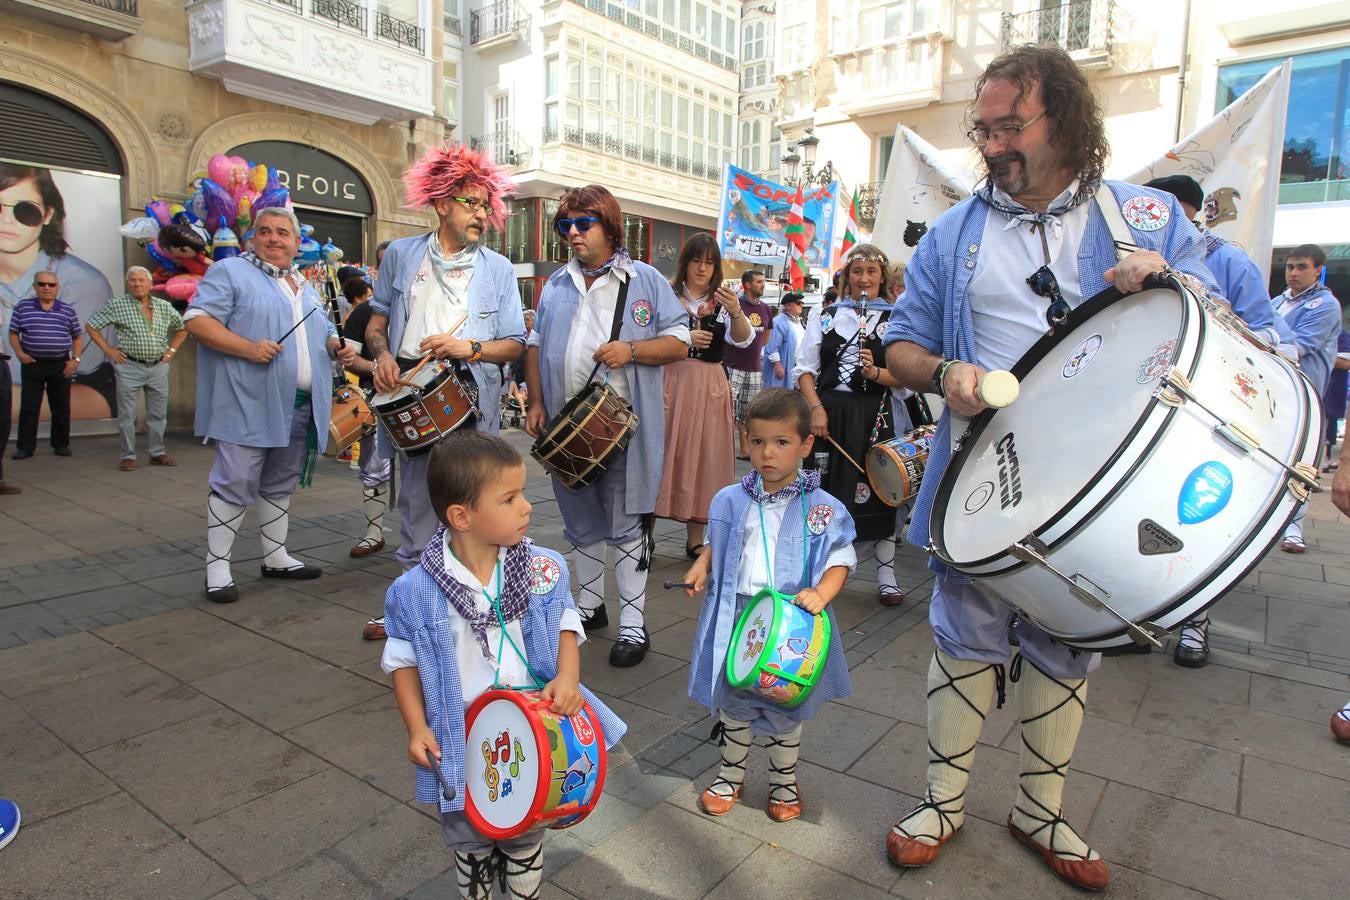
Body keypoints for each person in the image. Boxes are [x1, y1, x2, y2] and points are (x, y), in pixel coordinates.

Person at [882, 46, 1221, 891]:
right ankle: (942, 801)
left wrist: (1172, 280)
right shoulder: (957, 232)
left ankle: (1039, 810)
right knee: (965, 634)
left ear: (1065, 122)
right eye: (985, 129)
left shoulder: (1146, 216)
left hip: (1101, 485)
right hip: (981, 478)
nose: (995, 145)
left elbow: (1233, 315)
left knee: (1067, 641)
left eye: (1012, 127)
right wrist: (944, 374)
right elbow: (899, 342)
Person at [382, 431, 625, 899]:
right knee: (469, 836)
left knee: (526, 829)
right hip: (462, 736)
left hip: (532, 728)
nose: (527, 507)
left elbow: (565, 626)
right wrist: (416, 728)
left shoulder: (543, 567)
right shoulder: (415, 591)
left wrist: (568, 676)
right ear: (462, 515)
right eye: (510, 498)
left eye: (523, 495)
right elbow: (402, 661)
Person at [363, 144, 526, 642]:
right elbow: (377, 323)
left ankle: (476, 611)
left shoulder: (498, 268)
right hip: (411, 392)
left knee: (476, 507)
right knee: (415, 506)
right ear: (442, 204)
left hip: (468, 394)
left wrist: (468, 346)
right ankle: (408, 614)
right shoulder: (401, 255)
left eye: (485, 206)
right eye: (471, 204)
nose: (482, 214)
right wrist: (382, 356)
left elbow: (515, 343)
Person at [524, 185, 689, 667]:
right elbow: (534, 344)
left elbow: (680, 342)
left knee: (626, 519)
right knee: (579, 519)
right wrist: (535, 400)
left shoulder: (646, 279)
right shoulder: (555, 283)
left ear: (609, 225)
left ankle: (634, 627)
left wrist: (631, 351)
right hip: (567, 425)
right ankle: (590, 608)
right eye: (564, 226)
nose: (572, 234)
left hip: (624, 428)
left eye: (582, 224)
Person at [1143, 174, 1298, 667]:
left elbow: (1273, 335)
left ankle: (1196, 619)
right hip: (1141, 408)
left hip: (1204, 411)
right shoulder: (1127, 250)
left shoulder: (1227, 260)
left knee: (1194, 512)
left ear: (1184, 211)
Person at [683, 388, 855, 821]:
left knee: (785, 704)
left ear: (805, 444)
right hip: (741, 615)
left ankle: (783, 781)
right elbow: (717, 543)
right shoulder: (729, 499)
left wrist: (822, 594)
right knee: (736, 704)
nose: (767, 454)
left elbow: (841, 559)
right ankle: (730, 773)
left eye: (781, 442)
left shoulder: (822, 507)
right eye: (757, 441)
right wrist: (704, 563)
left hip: (793, 622)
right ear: (745, 440)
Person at [184, 206, 357, 604]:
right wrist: (246, 348)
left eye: (283, 233)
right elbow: (196, 319)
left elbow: (325, 329)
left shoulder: (304, 283)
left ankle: (275, 556)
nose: (274, 238)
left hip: (298, 403)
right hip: (248, 399)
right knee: (235, 480)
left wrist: (335, 346)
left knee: (280, 481)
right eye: (265, 231)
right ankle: (217, 567)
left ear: (297, 243)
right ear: (252, 238)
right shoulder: (230, 272)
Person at [795, 244, 910, 606]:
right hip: (828, 413)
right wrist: (815, 408)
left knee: (879, 487)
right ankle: (819, 571)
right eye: (857, 271)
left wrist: (877, 372)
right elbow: (805, 370)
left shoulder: (897, 319)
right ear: (846, 277)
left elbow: (907, 379)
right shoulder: (826, 315)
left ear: (882, 279)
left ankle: (885, 574)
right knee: (823, 489)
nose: (863, 279)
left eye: (871, 273)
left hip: (874, 413)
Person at [655, 234, 753, 557]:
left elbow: (744, 340)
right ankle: (646, 531)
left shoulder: (724, 301)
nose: (702, 267)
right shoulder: (666, 294)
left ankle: (695, 538)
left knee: (705, 456)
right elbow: (648, 335)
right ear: (686, 262)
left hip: (710, 384)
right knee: (662, 452)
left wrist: (737, 311)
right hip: (672, 377)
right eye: (697, 260)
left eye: (709, 262)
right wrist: (684, 338)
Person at [1, 165, 115, 421]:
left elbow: (99, 394)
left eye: (24, 210)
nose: (6, 220)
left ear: (47, 214)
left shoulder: (83, 283)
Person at [1273, 244, 1342, 556]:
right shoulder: (1277, 302)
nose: (1294, 273)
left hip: (1305, 398)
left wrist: (1259, 340)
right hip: (1274, 391)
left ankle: (1294, 528)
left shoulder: (1326, 306)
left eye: (1301, 267)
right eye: (1290, 267)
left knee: (1300, 463)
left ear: (1318, 270)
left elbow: (1296, 347)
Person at [84, 266, 188, 470]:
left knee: (158, 414)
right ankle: (128, 455)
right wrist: (109, 350)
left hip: (158, 366)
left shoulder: (163, 306)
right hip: (129, 366)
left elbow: (183, 327)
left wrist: (172, 351)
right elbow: (92, 325)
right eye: (133, 280)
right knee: (127, 414)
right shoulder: (117, 305)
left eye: (142, 280)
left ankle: (157, 453)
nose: (137, 284)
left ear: (150, 284)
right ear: (127, 283)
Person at [337, 275, 392, 569]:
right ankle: (374, 532)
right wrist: (378, 367)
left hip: (422, 401)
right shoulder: (363, 312)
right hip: (376, 399)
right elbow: (351, 358)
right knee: (374, 466)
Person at [8, 271, 81, 459]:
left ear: (57, 288)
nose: (47, 288)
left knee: (61, 407)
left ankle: (61, 444)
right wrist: (20, 354)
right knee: (29, 407)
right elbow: (14, 332)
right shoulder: (23, 308)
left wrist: (75, 360)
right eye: (42, 284)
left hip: (60, 364)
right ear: (35, 287)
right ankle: (25, 447)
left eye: (51, 285)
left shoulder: (67, 310)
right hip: (33, 364)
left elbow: (77, 336)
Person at [725, 270, 773, 459]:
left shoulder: (767, 309)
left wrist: (754, 348)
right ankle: (728, 448)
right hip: (732, 366)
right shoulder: (735, 305)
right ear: (747, 284)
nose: (763, 284)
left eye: (763, 281)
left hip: (754, 369)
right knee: (727, 410)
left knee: (749, 413)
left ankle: (745, 450)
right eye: (759, 281)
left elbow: (766, 336)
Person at [762, 292, 805, 389]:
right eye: (798, 303)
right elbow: (772, 346)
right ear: (788, 306)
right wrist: (777, 364)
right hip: (783, 366)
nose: (801, 305)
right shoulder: (778, 322)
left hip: (795, 366)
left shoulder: (798, 323)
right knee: (778, 395)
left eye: (802, 303)